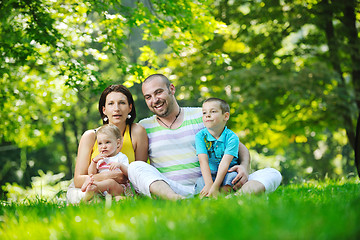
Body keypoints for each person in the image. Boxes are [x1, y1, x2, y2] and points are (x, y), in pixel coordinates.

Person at [128, 74, 282, 200]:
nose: (154, 100)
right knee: (135, 167)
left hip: (210, 184)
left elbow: (238, 146)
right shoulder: (144, 126)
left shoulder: (201, 115)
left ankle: (233, 200)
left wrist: (244, 167)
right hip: (173, 188)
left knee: (271, 173)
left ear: (171, 89)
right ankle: (176, 201)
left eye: (158, 92)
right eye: (148, 97)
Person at [66, 84, 148, 204]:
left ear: (130, 107)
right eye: (111, 104)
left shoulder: (136, 132)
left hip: (121, 190)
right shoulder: (90, 136)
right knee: (91, 198)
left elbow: (140, 175)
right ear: (104, 110)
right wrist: (110, 177)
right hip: (90, 187)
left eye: (122, 103)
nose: (117, 108)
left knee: (119, 200)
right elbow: (78, 180)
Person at [194, 98, 239, 198]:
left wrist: (215, 186)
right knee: (200, 182)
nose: (207, 115)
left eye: (213, 111)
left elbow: (225, 163)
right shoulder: (200, 136)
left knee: (232, 178)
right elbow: (203, 161)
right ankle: (206, 199)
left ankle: (221, 197)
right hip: (209, 174)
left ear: (226, 116)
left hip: (227, 172)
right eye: (204, 113)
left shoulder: (232, 137)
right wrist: (209, 184)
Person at [82, 124, 131, 201]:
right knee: (96, 201)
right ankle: (86, 200)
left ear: (118, 143)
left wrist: (120, 166)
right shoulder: (100, 159)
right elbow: (91, 174)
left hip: (118, 188)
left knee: (110, 182)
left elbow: (128, 173)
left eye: (107, 142)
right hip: (103, 191)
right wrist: (94, 162)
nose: (103, 146)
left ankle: (92, 190)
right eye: (100, 143)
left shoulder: (121, 157)